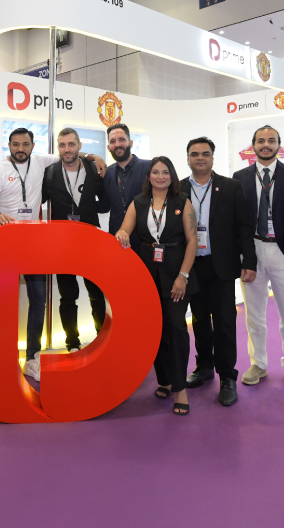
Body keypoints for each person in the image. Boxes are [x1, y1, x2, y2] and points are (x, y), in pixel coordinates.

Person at [0, 128, 106, 381]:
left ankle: (36, 356)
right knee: (6, 301)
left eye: (25, 144)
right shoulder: (5, 169)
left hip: (57, 244)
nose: (20, 148)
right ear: (9, 145)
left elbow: (73, 156)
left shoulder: (46, 162)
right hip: (16, 244)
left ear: (32, 145)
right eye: (15, 144)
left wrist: (94, 156)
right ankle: (1, 356)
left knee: (48, 299)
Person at [116, 157, 198, 415]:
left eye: (165, 172)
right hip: (147, 274)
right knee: (154, 329)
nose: (160, 176)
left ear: (172, 176)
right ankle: (165, 379)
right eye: (155, 172)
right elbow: (124, 230)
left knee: (176, 329)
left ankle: (180, 389)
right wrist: (122, 234)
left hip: (176, 274)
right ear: (149, 176)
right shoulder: (139, 202)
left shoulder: (182, 201)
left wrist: (183, 276)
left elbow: (192, 241)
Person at [181, 137, 257, 407]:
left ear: (212, 157)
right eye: (194, 154)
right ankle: (204, 367)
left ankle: (227, 377)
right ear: (188, 159)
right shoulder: (178, 189)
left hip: (221, 264)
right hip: (192, 266)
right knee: (199, 320)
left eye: (205, 153)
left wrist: (249, 260)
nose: (200, 158)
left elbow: (243, 226)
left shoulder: (230, 187)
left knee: (224, 322)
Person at [233, 126, 284, 392]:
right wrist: (243, 255)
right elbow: (238, 219)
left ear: (279, 145)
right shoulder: (240, 177)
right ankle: (259, 363)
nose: (266, 145)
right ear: (253, 144)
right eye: (261, 141)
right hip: (252, 250)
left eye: (271, 141)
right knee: (254, 315)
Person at [40, 128, 111, 352]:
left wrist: (87, 208)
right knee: (68, 297)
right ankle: (72, 343)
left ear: (79, 146)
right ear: (58, 148)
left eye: (71, 144)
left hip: (91, 242)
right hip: (62, 245)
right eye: (62, 145)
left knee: (96, 294)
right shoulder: (50, 172)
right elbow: (38, 200)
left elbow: (105, 204)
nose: (67, 149)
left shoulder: (93, 169)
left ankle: (101, 339)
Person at [101, 123, 152, 235]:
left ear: (131, 143)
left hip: (144, 236)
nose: (117, 144)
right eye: (113, 141)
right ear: (108, 147)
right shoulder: (107, 173)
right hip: (116, 235)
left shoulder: (149, 167)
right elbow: (104, 206)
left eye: (122, 139)